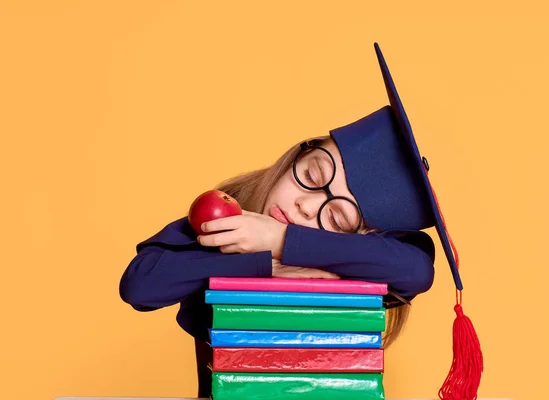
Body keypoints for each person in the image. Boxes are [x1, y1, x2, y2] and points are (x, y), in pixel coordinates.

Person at [119, 42, 482, 399]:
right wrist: (261, 263)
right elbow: (140, 284)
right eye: (311, 175)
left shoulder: (366, 261)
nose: (308, 206)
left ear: (360, 237)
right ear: (300, 151)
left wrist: (282, 240)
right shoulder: (229, 215)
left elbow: (417, 272)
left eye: (338, 217)